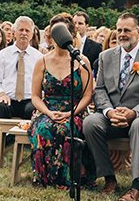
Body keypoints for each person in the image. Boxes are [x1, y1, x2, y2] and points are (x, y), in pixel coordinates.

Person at [82, 13, 139, 201]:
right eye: (119, 30)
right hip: (113, 115)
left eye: (126, 30)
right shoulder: (106, 56)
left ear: (138, 32)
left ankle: (136, 187)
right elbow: (100, 89)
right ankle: (109, 178)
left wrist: (134, 112)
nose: (122, 34)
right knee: (90, 123)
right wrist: (109, 112)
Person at [27, 22, 93, 189]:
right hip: (47, 108)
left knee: (67, 129)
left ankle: (69, 179)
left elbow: (87, 95)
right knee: (44, 129)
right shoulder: (41, 62)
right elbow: (35, 96)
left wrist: (71, 113)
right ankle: (45, 177)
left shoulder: (81, 61)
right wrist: (48, 113)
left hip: (75, 109)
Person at [0, 16, 40, 122]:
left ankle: (23, 139)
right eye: (21, 30)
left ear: (32, 34)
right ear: (14, 32)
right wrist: (1, 94)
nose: (24, 33)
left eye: (27, 30)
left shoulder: (38, 57)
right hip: (7, 98)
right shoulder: (3, 55)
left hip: (29, 100)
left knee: (33, 110)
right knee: (1, 108)